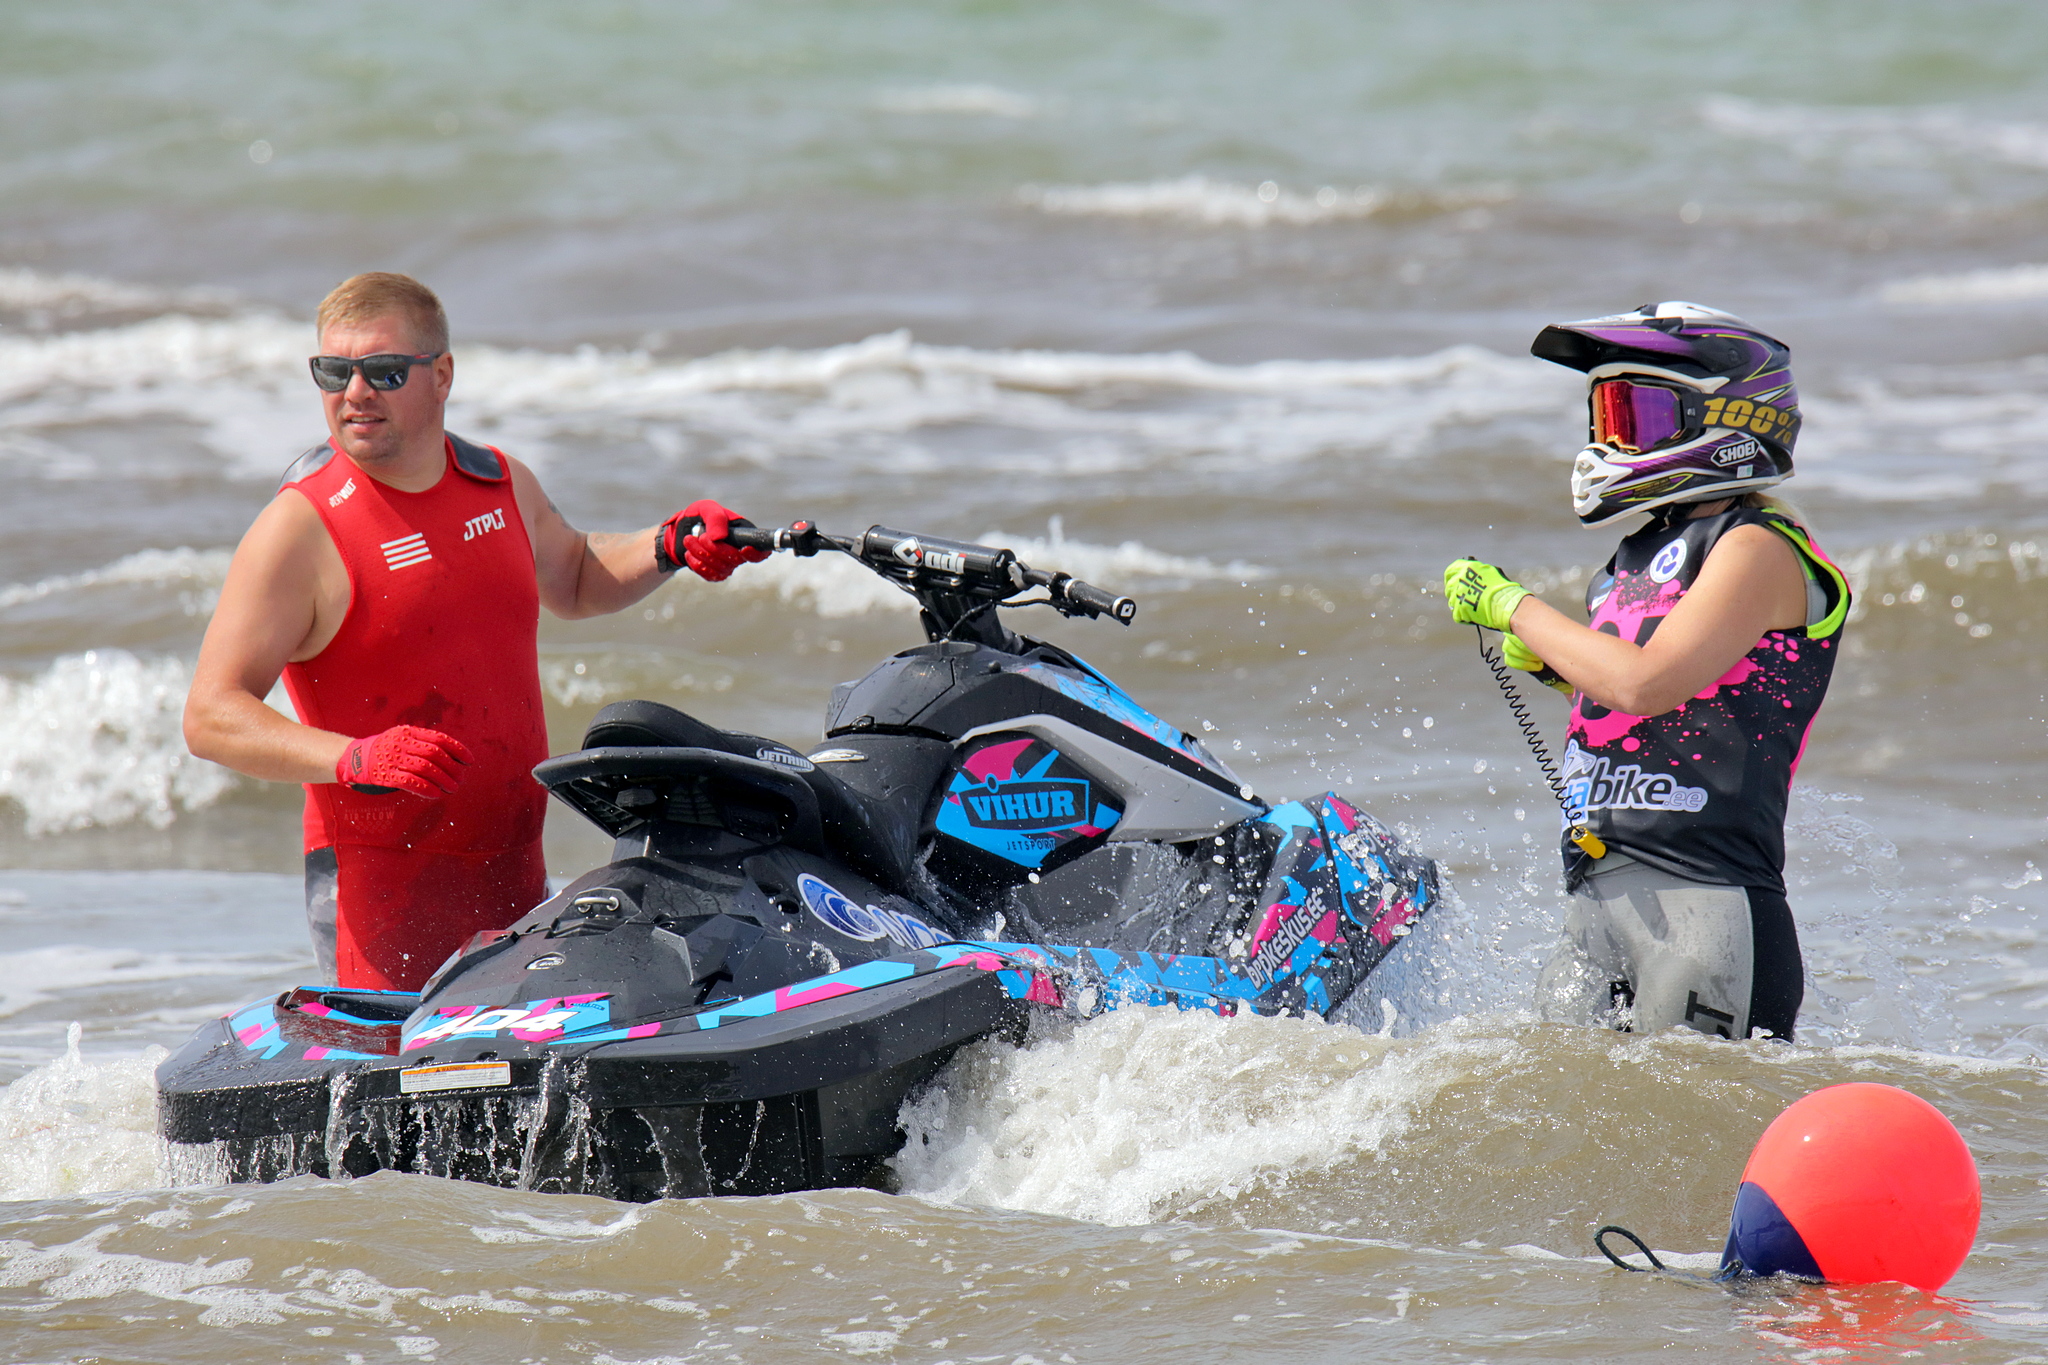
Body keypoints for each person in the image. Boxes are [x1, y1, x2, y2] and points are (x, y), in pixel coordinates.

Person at [184, 272, 767, 991]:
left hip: (514, 872)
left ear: (442, 375)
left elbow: (574, 574)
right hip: (380, 893)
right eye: (334, 372)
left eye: (384, 371)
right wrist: (354, 756)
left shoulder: (499, 482)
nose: (355, 392)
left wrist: (668, 543)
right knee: (400, 1065)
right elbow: (211, 714)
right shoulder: (300, 529)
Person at [1442, 302, 1850, 1042]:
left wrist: (1515, 608)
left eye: (1639, 415)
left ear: (1730, 421)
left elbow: (1643, 683)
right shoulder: (1633, 557)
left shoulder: (1757, 546)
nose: (1612, 439)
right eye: (1605, 415)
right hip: (1600, 903)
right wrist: (1564, 674)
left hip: (1707, 911)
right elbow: (1678, 705)